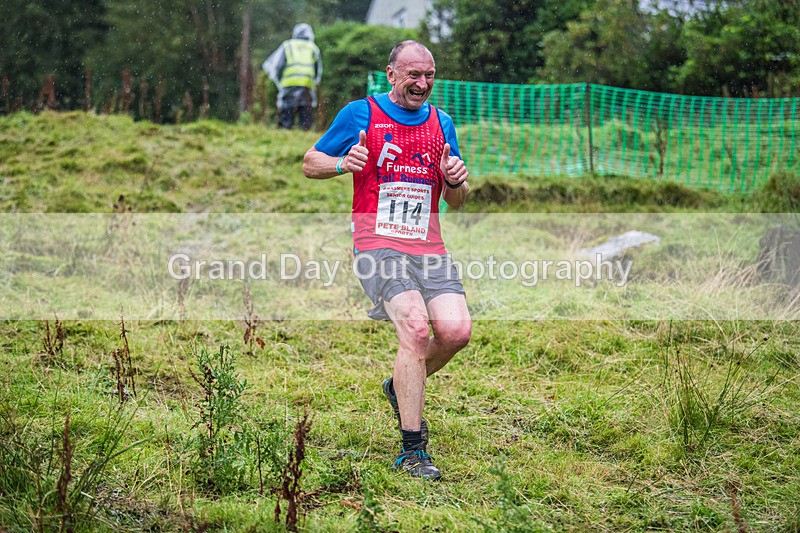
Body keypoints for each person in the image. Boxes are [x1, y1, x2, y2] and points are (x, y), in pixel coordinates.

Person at [302, 40, 471, 480]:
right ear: (391, 74)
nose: (422, 83)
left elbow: (459, 200)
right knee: (416, 331)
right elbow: (310, 161)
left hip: (429, 247)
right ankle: (412, 451)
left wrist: (456, 181)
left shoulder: (442, 123)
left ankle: (399, 386)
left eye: (429, 75)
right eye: (413, 74)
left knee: (455, 332)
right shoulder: (360, 114)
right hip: (376, 244)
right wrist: (342, 163)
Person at [262, 23, 322, 130]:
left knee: (287, 113)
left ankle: (285, 133)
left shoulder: (288, 45)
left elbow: (276, 66)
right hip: (307, 85)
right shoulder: (313, 48)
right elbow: (318, 70)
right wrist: (315, 82)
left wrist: (278, 81)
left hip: (289, 84)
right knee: (306, 115)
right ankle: (304, 136)